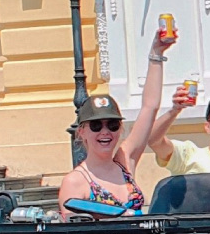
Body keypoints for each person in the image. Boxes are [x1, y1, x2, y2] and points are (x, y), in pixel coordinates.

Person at [57, 27, 175, 216]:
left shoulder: (124, 161)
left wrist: (156, 54)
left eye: (112, 125)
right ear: (82, 132)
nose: (105, 132)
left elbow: (150, 107)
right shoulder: (75, 181)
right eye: (96, 126)